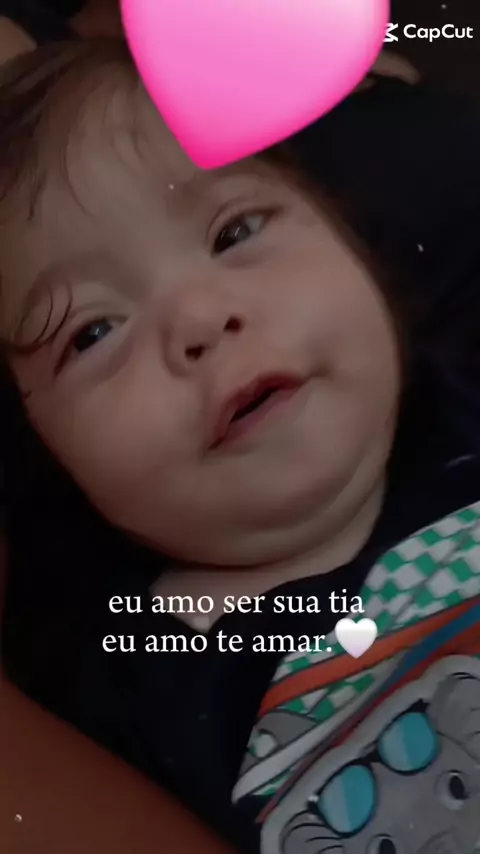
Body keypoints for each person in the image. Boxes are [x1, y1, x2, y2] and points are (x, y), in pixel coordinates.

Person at [2, 39, 480, 854]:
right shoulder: (126, 661)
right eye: (93, 332)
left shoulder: (460, 416)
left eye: (235, 232)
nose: (200, 319)